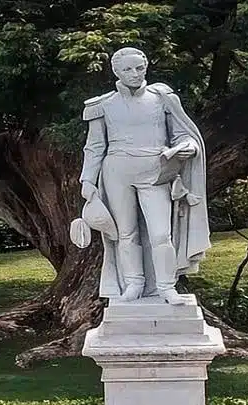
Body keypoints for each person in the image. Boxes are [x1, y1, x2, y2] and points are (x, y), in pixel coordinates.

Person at [74, 46, 211, 304]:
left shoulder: (163, 98)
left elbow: (182, 132)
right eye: (127, 69)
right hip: (116, 172)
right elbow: (94, 147)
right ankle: (133, 283)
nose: (135, 74)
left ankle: (166, 287)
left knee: (161, 233)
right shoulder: (102, 105)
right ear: (116, 71)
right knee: (126, 233)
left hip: (155, 171)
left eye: (139, 68)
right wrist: (88, 181)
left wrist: (188, 147)